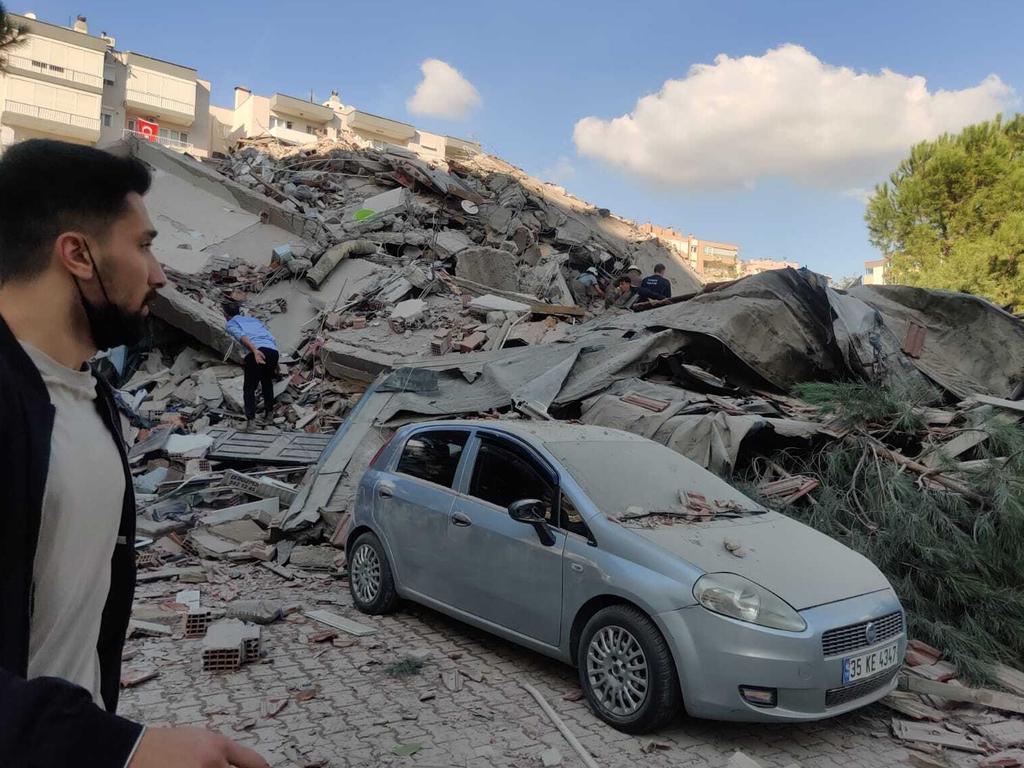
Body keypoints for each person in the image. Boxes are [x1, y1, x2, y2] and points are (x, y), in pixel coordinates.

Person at [0, 140, 268, 768]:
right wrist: (122, 750)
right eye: (144, 245)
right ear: (77, 253)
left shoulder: (89, 398)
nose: (161, 273)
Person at [223, 301, 280, 430]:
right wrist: (276, 360)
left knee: (249, 387)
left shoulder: (231, 324)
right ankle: (269, 415)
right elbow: (271, 337)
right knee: (267, 382)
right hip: (273, 351)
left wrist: (254, 351)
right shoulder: (253, 321)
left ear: (225, 314)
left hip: (257, 351)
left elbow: (242, 337)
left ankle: (251, 422)